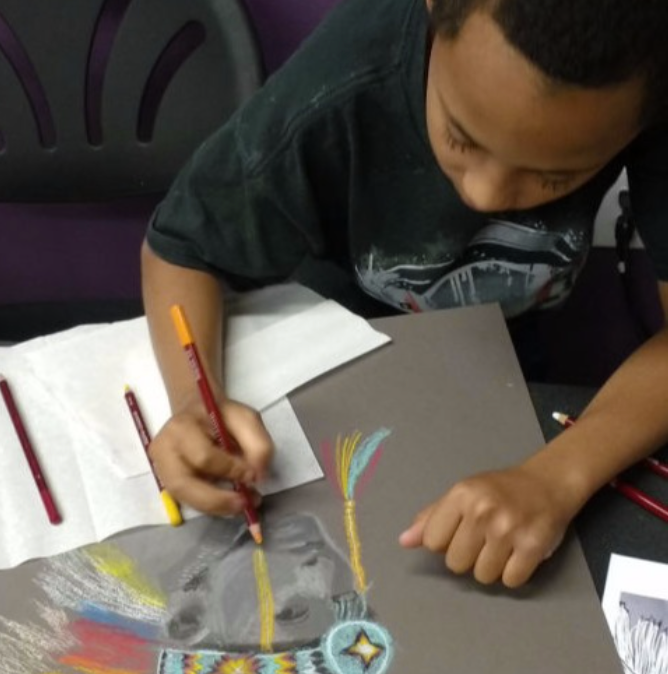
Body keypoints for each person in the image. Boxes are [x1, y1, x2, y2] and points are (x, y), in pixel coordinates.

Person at [141, 0, 668, 589]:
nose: (485, 196)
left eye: (555, 178)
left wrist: (560, 476)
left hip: (504, 352)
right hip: (336, 344)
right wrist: (195, 401)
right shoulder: (340, 82)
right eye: (461, 137)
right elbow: (181, 249)